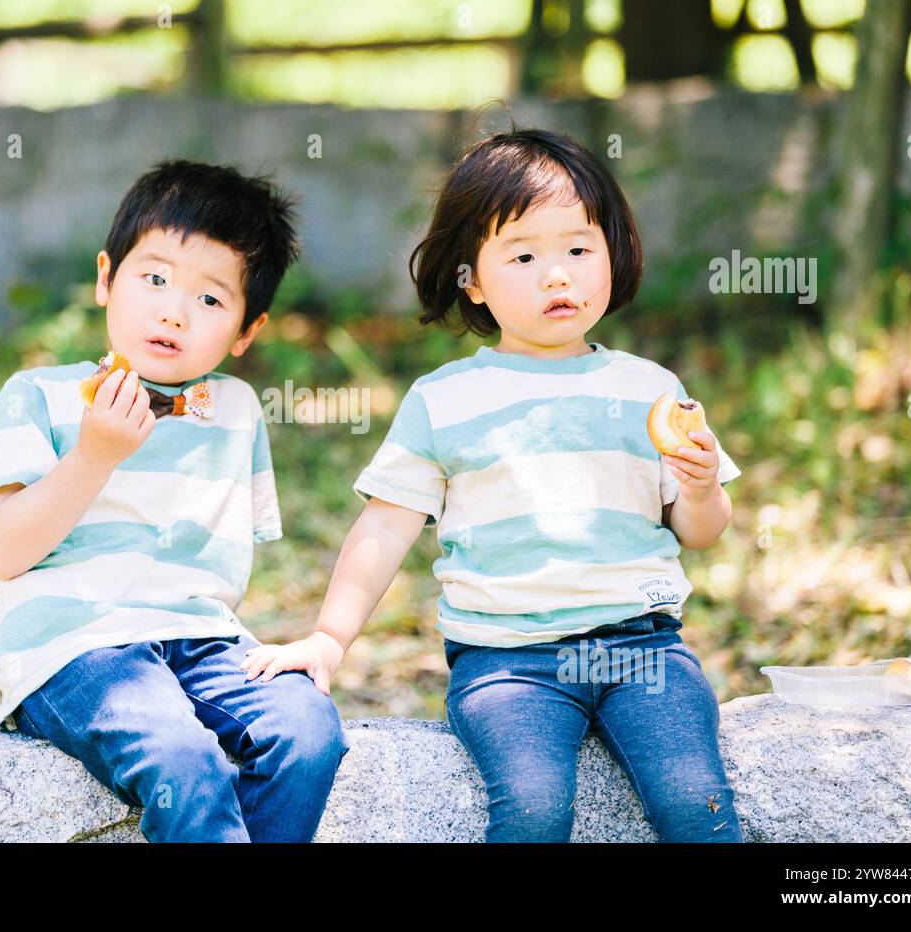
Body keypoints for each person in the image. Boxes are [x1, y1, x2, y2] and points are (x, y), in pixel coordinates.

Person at [241, 128, 745, 842]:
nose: (558, 275)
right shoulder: (445, 399)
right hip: (509, 663)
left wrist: (699, 490)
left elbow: (699, 530)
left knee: (699, 804)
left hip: (644, 649)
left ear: (615, 253)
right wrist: (329, 638)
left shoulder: (650, 391)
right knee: (534, 809)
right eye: (524, 255)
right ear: (470, 279)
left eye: (578, 248)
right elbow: (384, 528)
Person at [0, 160, 348, 842]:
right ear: (106, 278)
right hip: (75, 650)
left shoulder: (234, 409)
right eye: (155, 278)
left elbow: (218, 572)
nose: (174, 309)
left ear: (246, 331)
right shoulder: (41, 396)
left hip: (202, 642)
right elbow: (1, 550)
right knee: (186, 762)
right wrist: (93, 456)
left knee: (308, 730)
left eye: (210, 299)